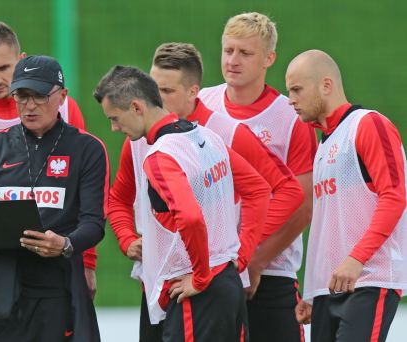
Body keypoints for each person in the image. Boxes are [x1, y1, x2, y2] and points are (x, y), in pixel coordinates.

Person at [109, 42, 304, 340]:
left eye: (166, 91)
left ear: (192, 91)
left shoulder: (223, 132)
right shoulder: (136, 137)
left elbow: (285, 190)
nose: (154, 99)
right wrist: (127, 239)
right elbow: (118, 199)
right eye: (152, 89)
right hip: (160, 288)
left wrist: (241, 252)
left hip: (205, 282)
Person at [0, 22, 97, 307]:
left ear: (21, 61)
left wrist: (87, 262)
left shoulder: (63, 109)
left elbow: (84, 194)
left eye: (4, 67)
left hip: (57, 268)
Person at [0, 55, 108, 342]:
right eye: (22, 96)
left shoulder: (87, 149)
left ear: (62, 96)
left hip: (58, 284)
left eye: (39, 96)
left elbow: (94, 222)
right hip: (2, 284)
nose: (29, 106)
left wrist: (66, 244)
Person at [199, 12, 317, 341]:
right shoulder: (203, 102)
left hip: (271, 272)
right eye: (228, 51)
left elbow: (303, 206)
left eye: (245, 53)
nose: (233, 61)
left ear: (269, 58)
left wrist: (256, 261)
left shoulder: (290, 118)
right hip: (213, 269)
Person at [286, 49, 407, 342]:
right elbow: (331, 225)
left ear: (326, 85)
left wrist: (357, 258)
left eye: (297, 89)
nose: (290, 100)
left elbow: (394, 197)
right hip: (330, 289)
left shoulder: (368, 124)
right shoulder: (325, 143)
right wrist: (315, 292)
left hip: (368, 279)